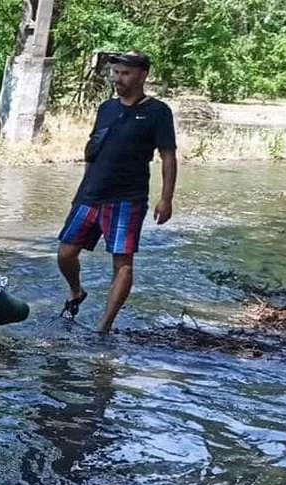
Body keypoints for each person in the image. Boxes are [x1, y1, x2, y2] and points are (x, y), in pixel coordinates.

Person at [57, 51, 177, 333]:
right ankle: (76, 292)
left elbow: (168, 156)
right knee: (65, 252)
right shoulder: (106, 108)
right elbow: (92, 149)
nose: (117, 79)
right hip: (91, 194)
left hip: (127, 198)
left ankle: (104, 326)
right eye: (115, 73)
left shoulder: (158, 112)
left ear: (142, 75)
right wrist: (82, 189)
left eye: (124, 73)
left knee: (122, 263)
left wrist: (166, 198)